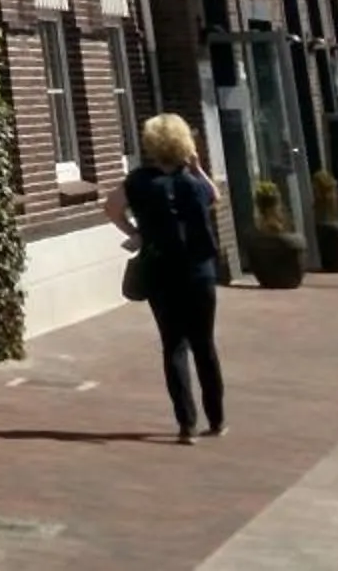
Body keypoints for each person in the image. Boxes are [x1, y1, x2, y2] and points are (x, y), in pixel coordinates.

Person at [106, 112, 225, 443]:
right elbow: (215, 197)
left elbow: (111, 207)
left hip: (161, 272)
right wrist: (197, 166)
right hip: (199, 272)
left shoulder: (139, 181)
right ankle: (215, 419)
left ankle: (186, 424)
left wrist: (137, 232)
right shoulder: (193, 181)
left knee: (173, 345)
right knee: (204, 344)